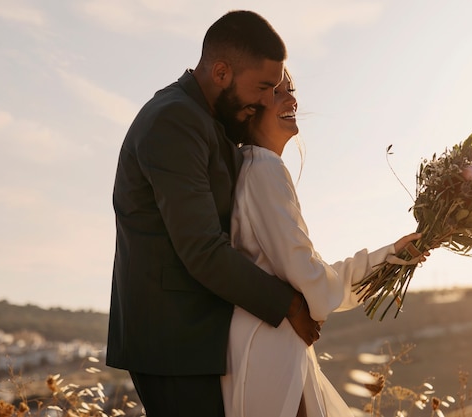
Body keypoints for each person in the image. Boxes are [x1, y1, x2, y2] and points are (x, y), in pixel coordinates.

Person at [106, 11, 320, 417]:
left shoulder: (209, 116)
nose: (264, 100)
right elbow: (202, 249)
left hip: (202, 335)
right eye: (262, 87)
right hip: (174, 341)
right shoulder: (174, 119)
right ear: (221, 71)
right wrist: (289, 305)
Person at [220, 70, 428, 417]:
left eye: (292, 89)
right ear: (251, 107)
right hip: (270, 346)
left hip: (263, 341)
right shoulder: (264, 169)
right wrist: (386, 261)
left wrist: (390, 257)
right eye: (277, 92)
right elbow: (308, 276)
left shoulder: (249, 166)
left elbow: (306, 274)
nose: (292, 99)